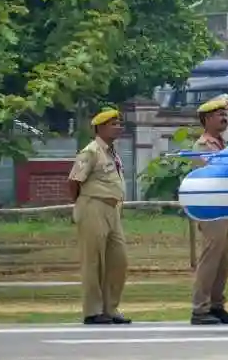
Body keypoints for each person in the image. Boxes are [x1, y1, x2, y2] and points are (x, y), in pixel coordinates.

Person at [68, 108, 130, 325]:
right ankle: (93, 311)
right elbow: (74, 181)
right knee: (93, 260)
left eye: (119, 123)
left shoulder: (112, 152)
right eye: (113, 124)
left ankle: (110, 308)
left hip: (112, 209)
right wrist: (82, 204)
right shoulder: (91, 151)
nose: (118, 127)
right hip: (93, 206)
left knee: (118, 260)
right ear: (100, 128)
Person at [190, 96, 228, 325]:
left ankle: (216, 305)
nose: (224, 118)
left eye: (225, 114)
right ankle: (200, 309)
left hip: (226, 208)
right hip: (212, 209)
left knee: (223, 262)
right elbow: (217, 171)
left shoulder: (224, 144)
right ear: (206, 119)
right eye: (219, 114)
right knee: (210, 260)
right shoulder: (203, 145)